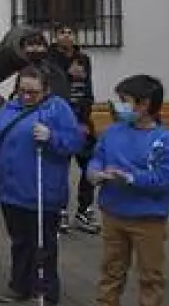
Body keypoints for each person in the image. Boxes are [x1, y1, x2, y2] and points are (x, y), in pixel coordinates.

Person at [0, 66, 83, 305]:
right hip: (11, 192)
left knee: (43, 245)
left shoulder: (58, 109)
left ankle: (45, 290)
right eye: (22, 90)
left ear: (45, 90)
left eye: (32, 92)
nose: (26, 96)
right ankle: (19, 285)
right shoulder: (8, 109)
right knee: (20, 243)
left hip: (43, 191)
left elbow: (75, 143)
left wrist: (52, 137)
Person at [89, 75, 169, 306]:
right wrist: (94, 173)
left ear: (145, 104)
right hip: (113, 214)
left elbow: (165, 179)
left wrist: (131, 177)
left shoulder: (165, 140)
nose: (119, 106)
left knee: (150, 275)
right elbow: (97, 158)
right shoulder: (112, 132)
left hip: (148, 219)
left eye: (124, 100)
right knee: (111, 270)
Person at [66, 53, 98, 233]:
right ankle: (61, 210)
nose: (78, 68)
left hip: (84, 127)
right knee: (60, 170)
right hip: (64, 127)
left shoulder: (84, 65)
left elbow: (88, 98)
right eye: (62, 32)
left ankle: (84, 210)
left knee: (89, 167)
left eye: (69, 31)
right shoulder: (55, 65)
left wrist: (84, 122)